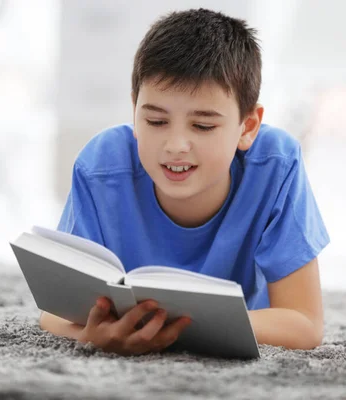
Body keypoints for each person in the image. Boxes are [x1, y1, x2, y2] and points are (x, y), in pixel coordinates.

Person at [40, 8, 330, 356]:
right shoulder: (101, 167)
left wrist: (181, 327)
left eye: (203, 126)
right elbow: (54, 314)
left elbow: (305, 323)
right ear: (135, 112)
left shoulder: (276, 166)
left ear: (248, 127)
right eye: (156, 121)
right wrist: (92, 335)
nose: (176, 145)